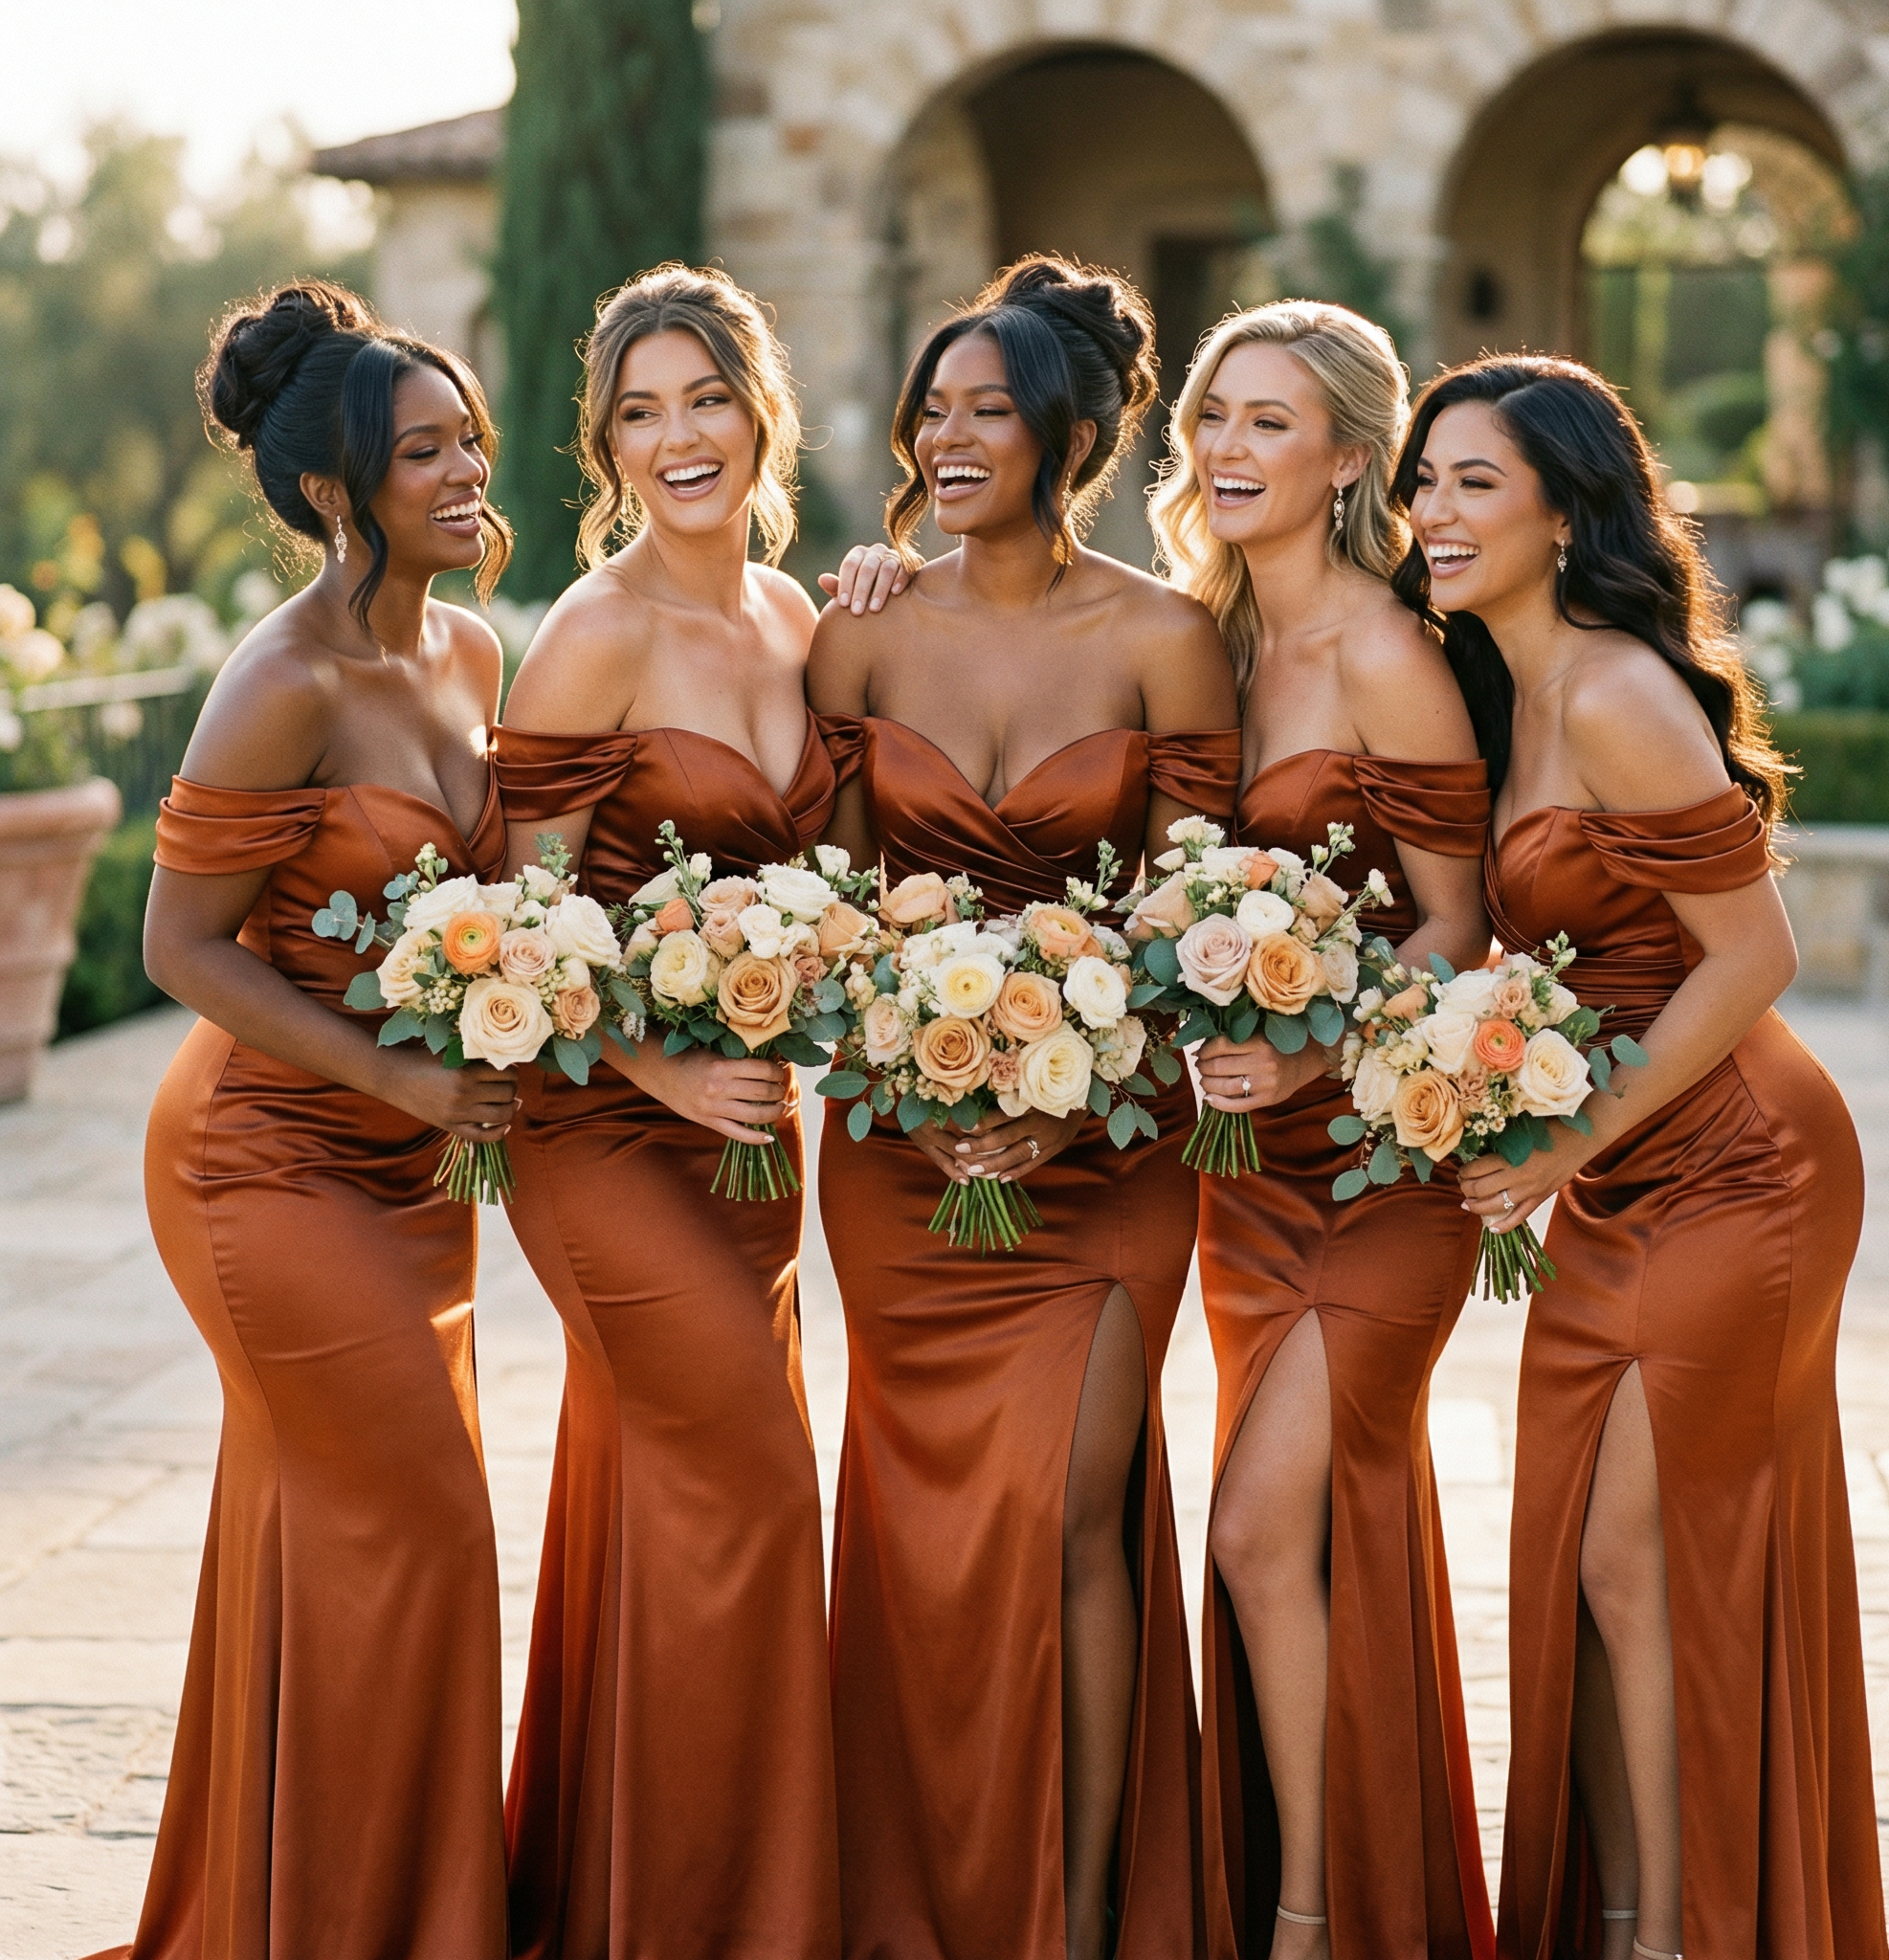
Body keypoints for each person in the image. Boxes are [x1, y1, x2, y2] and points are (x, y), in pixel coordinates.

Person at [1396, 354, 1888, 1960]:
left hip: (1746, 1161)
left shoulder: (1612, 689)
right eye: (1426, 480)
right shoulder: (1498, 684)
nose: (1438, 512)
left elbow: (1755, 955)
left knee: (1636, 1553)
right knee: (1593, 1556)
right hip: (1621, 1167)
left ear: (1564, 505)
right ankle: (1624, 1915)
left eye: (1478, 480)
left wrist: (1566, 1139)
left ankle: (1685, 1934)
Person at [810, 255, 1239, 1960]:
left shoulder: (1164, 638)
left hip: (1110, 1145)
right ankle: (916, 1907)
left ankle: (1072, 1928)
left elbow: (1202, 917)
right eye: (936, 407)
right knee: (925, 1535)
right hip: (900, 1164)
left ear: (1071, 435)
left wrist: (1070, 1109)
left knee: (1076, 1514)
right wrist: (910, 1078)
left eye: (990, 409)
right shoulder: (860, 625)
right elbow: (828, 910)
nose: (949, 434)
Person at [99, 279, 515, 1958]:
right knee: (421, 1522)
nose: (469, 468)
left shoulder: (475, 643)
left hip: (415, 1169)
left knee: (325, 1529)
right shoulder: (281, 681)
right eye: (427, 452)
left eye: (470, 433)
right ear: (340, 492)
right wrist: (414, 1078)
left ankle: (292, 1914)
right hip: (263, 1159)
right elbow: (175, 946)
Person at [493, 265, 840, 1960]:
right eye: (639, 413)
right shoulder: (591, 632)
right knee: (758, 1490)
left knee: (669, 1497)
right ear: (609, 448)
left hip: (761, 1138)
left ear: (761, 407)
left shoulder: (801, 621)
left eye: (704, 397)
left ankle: (631, 1895)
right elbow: (516, 927)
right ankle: (738, 1921)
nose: (676, 436)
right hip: (612, 1134)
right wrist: (660, 1068)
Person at [1148, 301, 1495, 1959]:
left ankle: (1311, 1916)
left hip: (1377, 1167)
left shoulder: (1383, 647)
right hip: (1244, 1185)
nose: (1226, 447)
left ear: (1353, 456)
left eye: (1270, 424)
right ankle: (1355, 1890)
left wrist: (1308, 1053)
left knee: (1254, 1527)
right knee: (1304, 1536)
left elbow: (1460, 926)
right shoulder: (1203, 637)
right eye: (1216, 415)